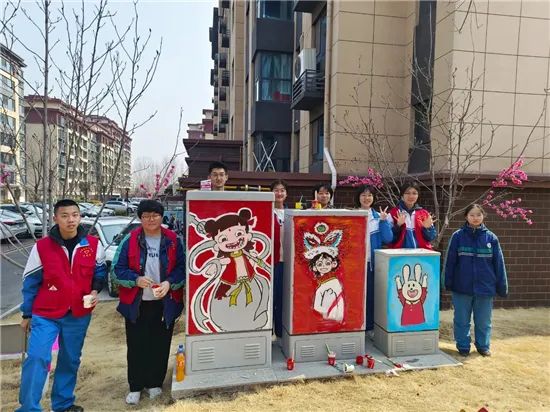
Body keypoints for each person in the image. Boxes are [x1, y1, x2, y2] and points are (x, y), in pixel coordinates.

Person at [18, 199, 107, 412]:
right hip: (46, 313)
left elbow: (99, 272)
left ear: (80, 217)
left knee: (70, 360)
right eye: (65, 216)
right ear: (55, 218)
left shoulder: (93, 245)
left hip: (78, 313)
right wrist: (27, 313)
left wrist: (95, 291)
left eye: (75, 215)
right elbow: (30, 281)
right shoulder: (42, 247)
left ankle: (63, 404)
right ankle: (29, 408)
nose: (70, 220)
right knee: (37, 357)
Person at [113, 200, 185, 405]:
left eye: (155, 215)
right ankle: (135, 386)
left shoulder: (172, 239)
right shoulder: (130, 239)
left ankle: (155, 383)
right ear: (140, 218)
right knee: (136, 345)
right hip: (137, 303)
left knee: (160, 344)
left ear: (161, 217)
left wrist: (169, 283)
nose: (151, 219)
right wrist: (136, 279)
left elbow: (182, 268)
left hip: (164, 303)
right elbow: (117, 269)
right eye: (146, 216)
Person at [443, 204, 508, 357]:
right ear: (466, 216)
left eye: (478, 215)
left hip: (485, 288)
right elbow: (450, 261)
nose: (475, 218)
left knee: (483, 321)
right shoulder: (457, 236)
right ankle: (463, 346)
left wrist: (502, 286)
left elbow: (499, 264)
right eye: (472, 215)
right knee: (461, 319)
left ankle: (483, 346)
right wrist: (447, 281)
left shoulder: (491, 238)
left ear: (483, 216)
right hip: (461, 287)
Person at [353, 185, 393, 333]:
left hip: (371, 265)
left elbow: (388, 239)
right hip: (355, 265)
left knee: (370, 297)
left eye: (369, 195)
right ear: (358, 197)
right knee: (355, 296)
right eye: (363, 195)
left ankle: (369, 328)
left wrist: (383, 221)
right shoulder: (352, 216)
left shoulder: (378, 217)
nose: (366, 198)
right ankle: (354, 326)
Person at [388, 181, 436, 249]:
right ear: (402, 195)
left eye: (414, 193)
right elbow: (389, 239)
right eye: (407, 193)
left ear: (418, 195)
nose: (411, 196)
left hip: (421, 253)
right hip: (399, 253)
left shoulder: (424, 214)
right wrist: (398, 226)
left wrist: (427, 228)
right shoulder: (393, 213)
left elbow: (431, 238)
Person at [271, 179, 288, 337]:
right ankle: (268, 332)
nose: (279, 193)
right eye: (276, 190)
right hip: (271, 261)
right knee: (271, 296)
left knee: (284, 297)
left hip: (287, 261)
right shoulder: (266, 212)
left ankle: (281, 332)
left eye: (282, 190)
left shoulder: (292, 213)